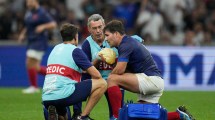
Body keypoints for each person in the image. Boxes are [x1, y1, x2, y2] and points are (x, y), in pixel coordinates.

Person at [103, 20, 195, 120]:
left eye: (107, 35)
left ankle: (116, 117)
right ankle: (179, 116)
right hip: (155, 81)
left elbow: (119, 71)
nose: (106, 39)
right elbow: (125, 72)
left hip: (150, 79)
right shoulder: (127, 42)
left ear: (116, 33)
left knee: (112, 79)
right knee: (142, 116)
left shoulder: (125, 44)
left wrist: (111, 66)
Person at [42, 23, 107, 120]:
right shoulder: (75, 51)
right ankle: (83, 117)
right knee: (102, 83)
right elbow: (97, 75)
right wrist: (98, 59)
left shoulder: (55, 49)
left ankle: (56, 113)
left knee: (64, 116)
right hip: (63, 94)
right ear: (75, 37)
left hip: (46, 97)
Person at [18, 0, 57, 94]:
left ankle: (34, 87)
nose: (28, 4)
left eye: (30, 1)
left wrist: (43, 27)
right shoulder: (29, 13)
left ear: (36, 2)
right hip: (31, 41)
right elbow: (28, 25)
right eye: (27, 2)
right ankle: (56, 76)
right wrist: (23, 34)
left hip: (39, 42)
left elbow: (53, 24)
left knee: (29, 62)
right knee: (36, 67)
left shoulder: (42, 12)